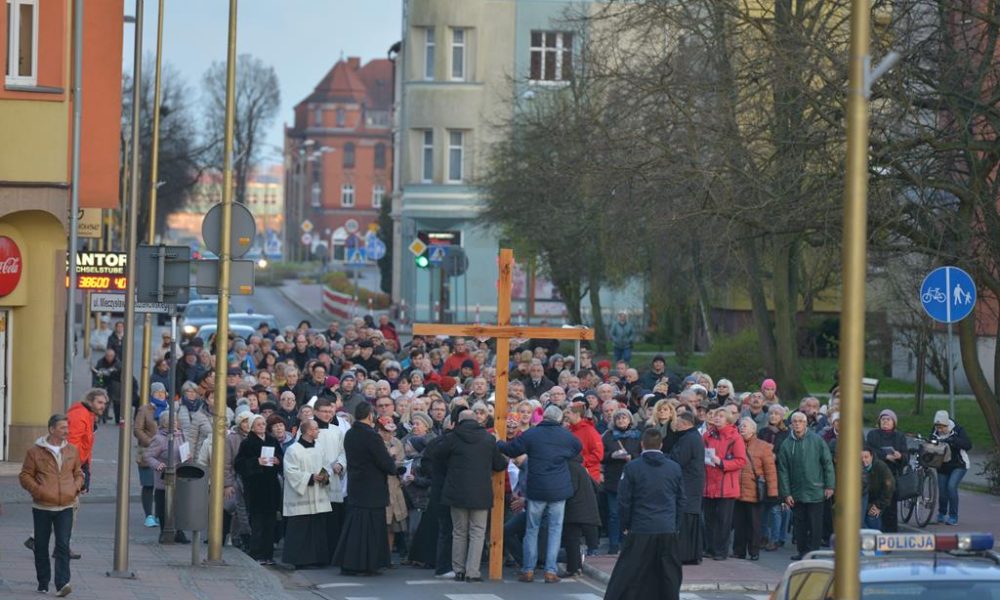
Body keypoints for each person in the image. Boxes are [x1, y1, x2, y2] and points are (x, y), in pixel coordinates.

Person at [498, 404, 582, 584]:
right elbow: (577, 449)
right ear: (559, 419)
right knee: (555, 530)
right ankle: (550, 571)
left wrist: (498, 441)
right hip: (559, 489)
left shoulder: (532, 434)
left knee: (531, 529)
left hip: (536, 488)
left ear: (544, 417)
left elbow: (511, 450)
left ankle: (528, 570)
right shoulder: (566, 436)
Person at [603, 428, 685, 600]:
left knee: (630, 572)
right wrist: (675, 525)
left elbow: (624, 500)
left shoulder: (632, 467)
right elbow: (680, 500)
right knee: (668, 572)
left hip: (641, 526)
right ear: (661, 445)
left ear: (642, 444)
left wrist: (625, 524)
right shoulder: (674, 468)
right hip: (666, 526)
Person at [432, 409, 507, 582]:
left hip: (456, 491)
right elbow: (499, 464)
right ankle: (472, 571)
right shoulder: (488, 439)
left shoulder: (452, 438)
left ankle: (458, 569)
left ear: (458, 421)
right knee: (477, 532)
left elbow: (437, 455)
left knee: (458, 531)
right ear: (477, 421)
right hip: (480, 492)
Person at [19, 414, 83, 597]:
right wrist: (38, 491)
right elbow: (25, 476)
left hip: (66, 506)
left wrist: (75, 487)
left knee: (63, 545)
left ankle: (63, 584)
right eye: (63, 428)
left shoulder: (72, 450)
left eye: (67, 427)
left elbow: (78, 472)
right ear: (52, 429)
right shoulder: (35, 452)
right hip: (42, 506)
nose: (67, 431)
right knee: (41, 545)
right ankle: (43, 581)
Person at [333, 402, 398, 576]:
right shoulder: (372, 436)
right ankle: (367, 564)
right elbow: (384, 462)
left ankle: (352, 562)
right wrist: (391, 459)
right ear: (370, 415)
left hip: (356, 486)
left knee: (355, 527)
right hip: (372, 489)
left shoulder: (350, 434)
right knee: (371, 530)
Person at [778, 412, 835, 560]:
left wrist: (829, 486)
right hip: (796, 491)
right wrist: (786, 493)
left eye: (800, 421)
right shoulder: (786, 444)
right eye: (794, 421)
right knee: (799, 524)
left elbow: (827, 463)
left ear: (806, 424)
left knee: (815, 524)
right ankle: (802, 552)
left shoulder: (817, 440)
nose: (797, 424)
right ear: (791, 424)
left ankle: (814, 552)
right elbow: (782, 470)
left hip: (816, 489)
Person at [281, 418, 333, 568]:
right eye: (316, 429)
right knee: (300, 529)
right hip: (301, 497)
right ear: (309, 431)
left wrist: (324, 475)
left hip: (318, 494)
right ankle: (299, 560)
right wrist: (310, 477)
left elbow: (326, 465)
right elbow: (290, 472)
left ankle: (318, 558)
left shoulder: (319, 447)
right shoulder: (293, 450)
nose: (318, 431)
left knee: (317, 528)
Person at [235, 414, 284, 564]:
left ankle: (268, 554)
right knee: (257, 522)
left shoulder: (272, 440)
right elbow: (239, 464)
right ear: (252, 427)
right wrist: (256, 462)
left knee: (270, 522)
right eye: (258, 424)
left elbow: (281, 460)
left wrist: (277, 461)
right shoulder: (247, 443)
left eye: (263, 423)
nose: (262, 426)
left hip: (271, 486)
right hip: (255, 487)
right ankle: (256, 553)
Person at [702, 408, 746, 561]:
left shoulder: (735, 437)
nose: (717, 418)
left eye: (721, 416)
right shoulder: (707, 435)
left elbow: (741, 461)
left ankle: (721, 550)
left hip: (726, 485)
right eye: (715, 415)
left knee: (723, 520)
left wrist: (722, 463)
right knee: (709, 519)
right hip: (709, 483)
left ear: (728, 420)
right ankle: (710, 548)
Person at [732, 418, 777, 561]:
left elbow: (770, 471)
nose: (741, 428)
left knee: (754, 524)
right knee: (739, 524)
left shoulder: (763, 446)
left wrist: (772, 492)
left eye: (745, 426)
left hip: (755, 491)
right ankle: (739, 551)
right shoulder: (734, 443)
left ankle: (753, 551)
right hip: (737, 491)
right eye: (740, 426)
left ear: (753, 429)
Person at [144, 411, 189, 543]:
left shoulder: (181, 435)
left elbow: (184, 451)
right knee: (163, 507)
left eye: (175, 420)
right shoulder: (159, 438)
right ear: (164, 423)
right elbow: (148, 456)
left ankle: (179, 532)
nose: (174, 423)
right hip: (164, 478)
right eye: (171, 421)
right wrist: (158, 464)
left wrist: (188, 457)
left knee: (179, 506)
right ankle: (164, 532)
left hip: (179, 475)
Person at [602, 408, 642, 554]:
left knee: (630, 512)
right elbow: (601, 455)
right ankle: (613, 545)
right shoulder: (608, 435)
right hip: (613, 479)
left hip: (632, 478)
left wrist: (632, 457)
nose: (621, 421)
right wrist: (612, 455)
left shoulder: (637, 435)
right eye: (618, 418)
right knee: (614, 514)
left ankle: (628, 544)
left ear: (630, 420)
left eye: (624, 418)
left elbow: (642, 453)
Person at [669, 410, 705, 565]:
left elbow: (679, 459)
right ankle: (690, 553)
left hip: (688, 485)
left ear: (684, 423)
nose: (674, 424)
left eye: (677, 421)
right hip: (692, 484)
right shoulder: (692, 436)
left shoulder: (688, 438)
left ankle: (685, 554)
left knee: (686, 519)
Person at [864, 409, 907, 532]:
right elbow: (869, 450)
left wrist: (900, 456)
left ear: (894, 422)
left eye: (888, 419)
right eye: (883, 419)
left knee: (890, 509)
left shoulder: (899, 436)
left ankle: (890, 536)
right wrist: (885, 456)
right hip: (874, 476)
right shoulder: (873, 434)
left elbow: (906, 456)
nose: (885, 422)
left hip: (893, 475)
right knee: (873, 508)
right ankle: (876, 534)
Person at [560, 455, 602, 577]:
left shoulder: (570, 467)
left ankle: (573, 568)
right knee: (576, 539)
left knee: (571, 539)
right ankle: (576, 567)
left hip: (575, 508)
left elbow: (571, 489)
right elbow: (597, 487)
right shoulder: (580, 467)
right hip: (587, 507)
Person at [929, 410, 972, 525]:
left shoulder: (958, 430)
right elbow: (930, 444)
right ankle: (941, 514)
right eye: (937, 427)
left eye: (941, 427)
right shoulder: (935, 431)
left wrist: (953, 441)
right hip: (942, 465)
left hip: (959, 464)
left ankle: (953, 516)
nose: (939, 430)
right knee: (942, 491)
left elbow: (968, 445)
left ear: (947, 425)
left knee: (951, 487)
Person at [567, 402, 604, 483]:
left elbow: (598, 455)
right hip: (574, 474)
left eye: (568, 413)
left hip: (589, 476)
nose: (566, 415)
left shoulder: (590, 431)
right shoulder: (569, 430)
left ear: (577, 414)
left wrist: (580, 461)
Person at [861, 446, 894, 530]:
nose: (864, 460)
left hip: (876, 500)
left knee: (872, 516)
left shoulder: (880, 467)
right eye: (861, 458)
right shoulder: (855, 468)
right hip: (862, 501)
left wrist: (879, 505)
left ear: (871, 456)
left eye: (866, 457)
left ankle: (876, 538)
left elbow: (889, 486)